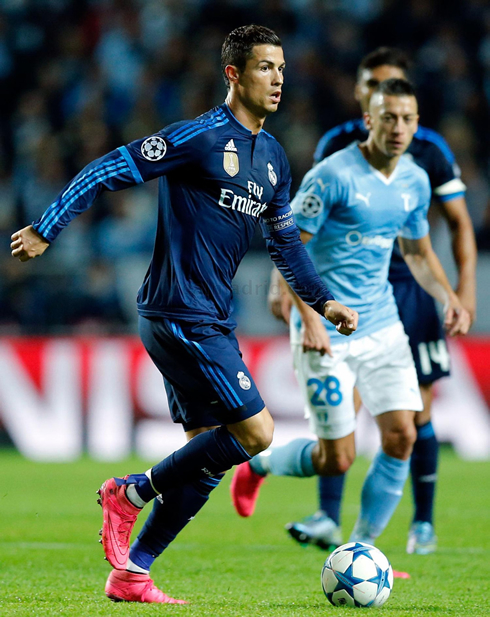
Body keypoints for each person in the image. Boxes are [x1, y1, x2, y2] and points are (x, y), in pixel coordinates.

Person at [10, 25, 357, 605]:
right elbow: (105, 169)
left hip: (211, 315)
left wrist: (322, 302)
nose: (277, 79)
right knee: (257, 431)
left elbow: (286, 244)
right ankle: (128, 492)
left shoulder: (271, 158)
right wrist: (48, 228)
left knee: (205, 459)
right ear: (234, 74)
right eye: (265, 68)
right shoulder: (199, 137)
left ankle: (133, 572)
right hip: (178, 310)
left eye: (281, 67)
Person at [231, 79, 471, 556]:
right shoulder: (333, 175)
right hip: (325, 332)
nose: (398, 128)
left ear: (416, 123)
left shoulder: (415, 180)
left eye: (407, 119)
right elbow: (288, 246)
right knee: (336, 458)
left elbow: (417, 251)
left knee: (402, 434)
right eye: (388, 118)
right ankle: (258, 466)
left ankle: (360, 552)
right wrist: (311, 318)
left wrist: (449, 296)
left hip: (382, 325)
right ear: (370, 120)